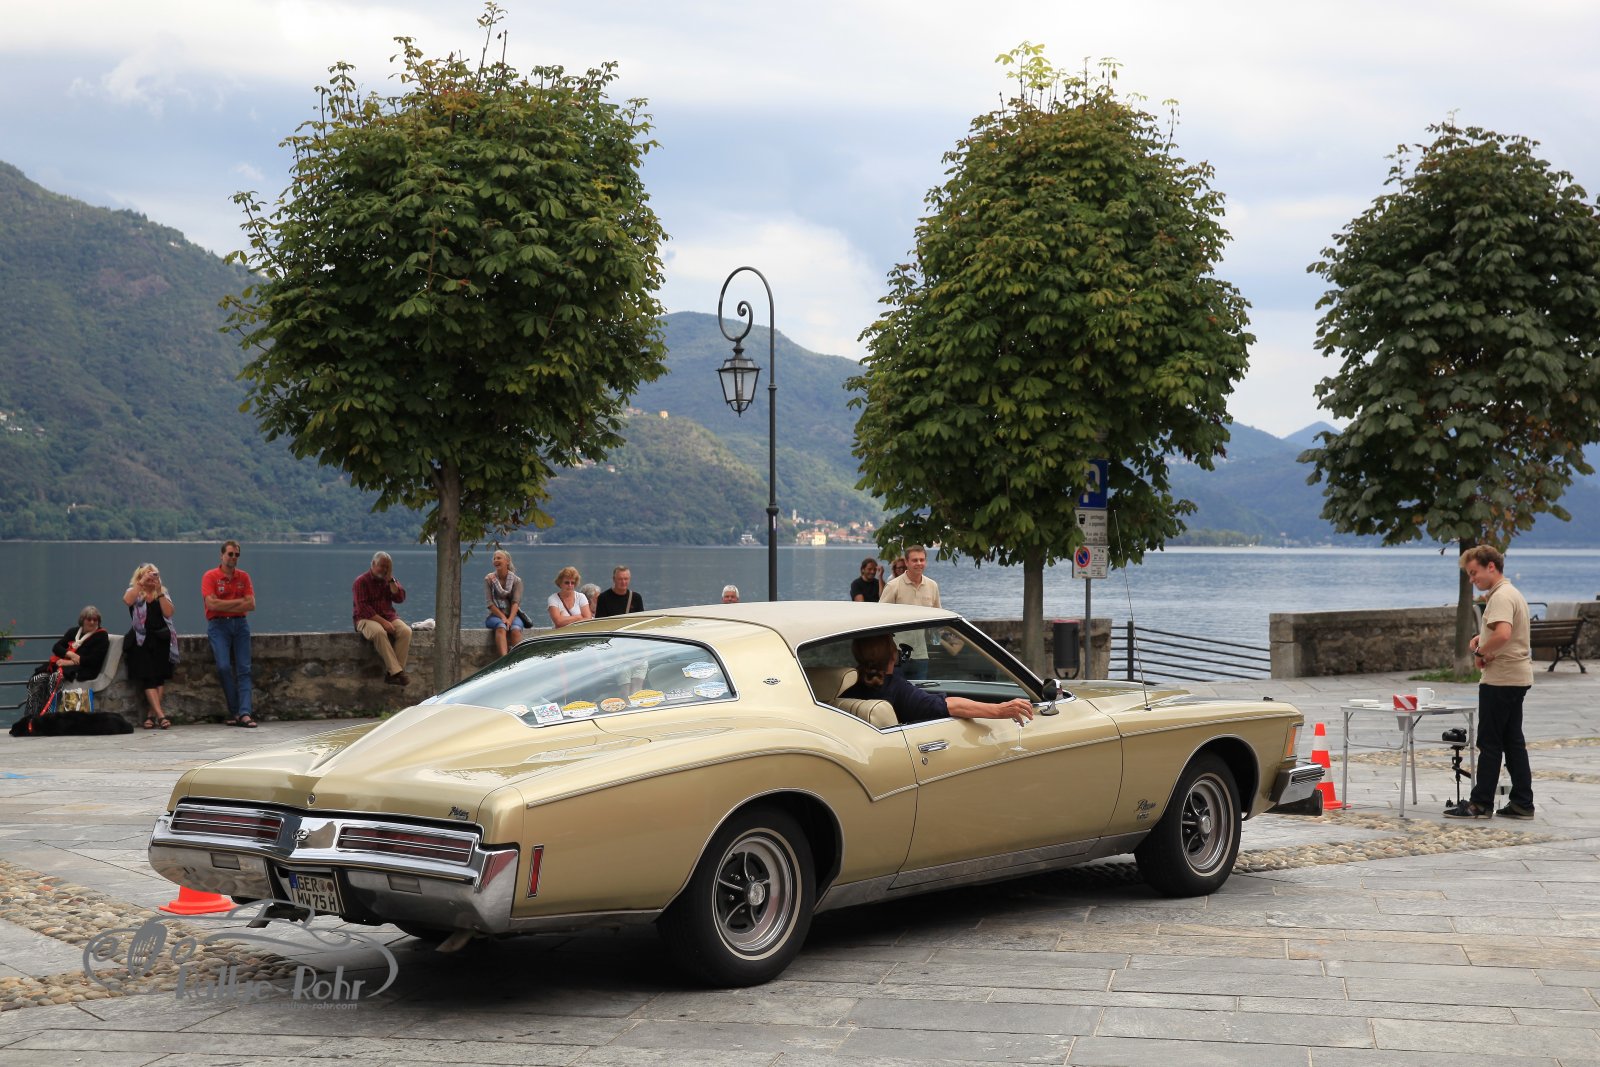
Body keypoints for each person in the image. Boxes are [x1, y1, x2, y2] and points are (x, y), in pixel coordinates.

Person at [1446, 545, 1535, 820]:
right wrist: (1482, 638)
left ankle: (1481, 803)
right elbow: (1504, 633)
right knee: (1512, 741)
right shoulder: (1512, 593)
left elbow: (1504, 633)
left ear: (1491, 567)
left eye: (1474, 573)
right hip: (1517, 676)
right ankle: (1522, 803)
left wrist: (1480, 652)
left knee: (1490, 741)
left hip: (1501, 679)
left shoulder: (1500, 596)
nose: (1472, 579)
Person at [840, 634, 1033, 726]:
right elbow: (949, 706)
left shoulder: (847, 688)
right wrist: (999, 709)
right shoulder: (896, 688)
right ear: (893, 655)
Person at [202, 539, 257, 727]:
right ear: (222, 555)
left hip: (241, 625)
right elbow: (211, 604)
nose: (234, 557)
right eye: (230, 554)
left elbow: (251, 604)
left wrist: (223, 604)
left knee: (244, 669)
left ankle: (245, 713)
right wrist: (239, 603)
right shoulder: (210, 576)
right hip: (218, 626)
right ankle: (235, 711)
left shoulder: (244, 577)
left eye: (237, 555)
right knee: (224, 667)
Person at [23, 605, 110, 718]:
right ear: (83, 620)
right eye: (89, 619)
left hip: (85, 669)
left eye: (95, 620)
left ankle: (49, 715)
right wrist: (70, 654)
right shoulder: (74, 632)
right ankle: (32, 714)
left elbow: (95, 660)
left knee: (54, 679)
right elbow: (57, 647)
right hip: (65, 666)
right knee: (38, 679)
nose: (92, 622)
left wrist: (71, 662)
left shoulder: (101, 636)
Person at [123, 563, 177, 728]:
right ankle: (161, 716)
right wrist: (141, 583)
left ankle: (150, 716)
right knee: (148, 677)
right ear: (140, 576)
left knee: (159, 678)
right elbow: (127, 601)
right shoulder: (134, 591)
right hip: (141, 640)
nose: (151, 577)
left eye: (154, 574)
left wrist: (159, 590)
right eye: (148, 574)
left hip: (160, 640)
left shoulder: (162, 593)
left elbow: (169, 612)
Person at [880, 546, 941, 677]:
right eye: (915, 560)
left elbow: (937, 618)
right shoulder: (893, 586)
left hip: (921, 655)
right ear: (907, 562)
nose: (919, 563)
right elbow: (880, 618)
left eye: (922, 560)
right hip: (896, 655)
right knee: (895, 689)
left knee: (919, 689)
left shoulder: (932, 586)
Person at [353, 551, 411, 686]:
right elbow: (363, 608)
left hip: (388, 616)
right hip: (365, 618)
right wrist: (384, 623)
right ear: (373, 564)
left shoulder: (390, 581)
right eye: (382, 566)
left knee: (406, 631)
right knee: (379, 632)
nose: (384, 569)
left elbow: (400, 598)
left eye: (387, 567)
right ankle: (397, 672)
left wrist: (390, 579)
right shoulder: (361, 581)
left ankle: (393, 674)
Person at [484, 549, 525, 656]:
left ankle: (518, 660)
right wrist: (503, 617)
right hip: (494, 616)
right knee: (501, 627)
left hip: (513, 615)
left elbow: (516, 603)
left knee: (515, 630)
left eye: (499, 558)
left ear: (507, 561)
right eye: (494, 558)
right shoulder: (489, 579)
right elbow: (490, 604)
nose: (496, 560)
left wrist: (510, 620)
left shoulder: (517, 581)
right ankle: (504, 660)